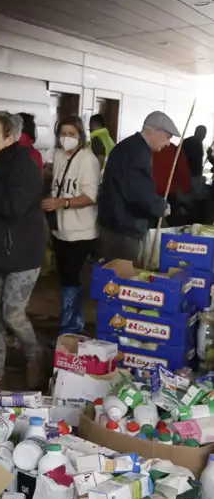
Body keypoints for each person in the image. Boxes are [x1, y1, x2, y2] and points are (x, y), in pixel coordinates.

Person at [0, 111, 46, 390]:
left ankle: (34, 353)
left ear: (10, 138)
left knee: (12, 313)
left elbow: (13, 209)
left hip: (22, 254)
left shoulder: (25, 166)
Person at [42, 116, 100, 335]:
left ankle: (71, 328)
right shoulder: (58, 155)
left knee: (71, 279)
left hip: (81, 232)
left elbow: (90, 196)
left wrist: (62, 202)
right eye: (63, 133)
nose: (67, 138)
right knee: (65, 278)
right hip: (60, 230)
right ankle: (69, 325)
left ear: (81, 136)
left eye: (72, 134)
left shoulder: (87, 159)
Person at [99, 111, 179, 263]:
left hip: (113, 223)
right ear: (155, 131)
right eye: (168, 137)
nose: (168, 143)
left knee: (112, 275)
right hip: (125, 228)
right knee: (124, 278)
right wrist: (161, 206)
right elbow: (139, 193)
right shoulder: (139, 152)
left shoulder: (128, 145)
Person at [152, 141, 191, 226]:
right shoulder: (175, 150)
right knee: (169, 219)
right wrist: (186, 189)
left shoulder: (149, 147)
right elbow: (183, 170)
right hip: (168, 190)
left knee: (150, 219)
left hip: (150, 190)